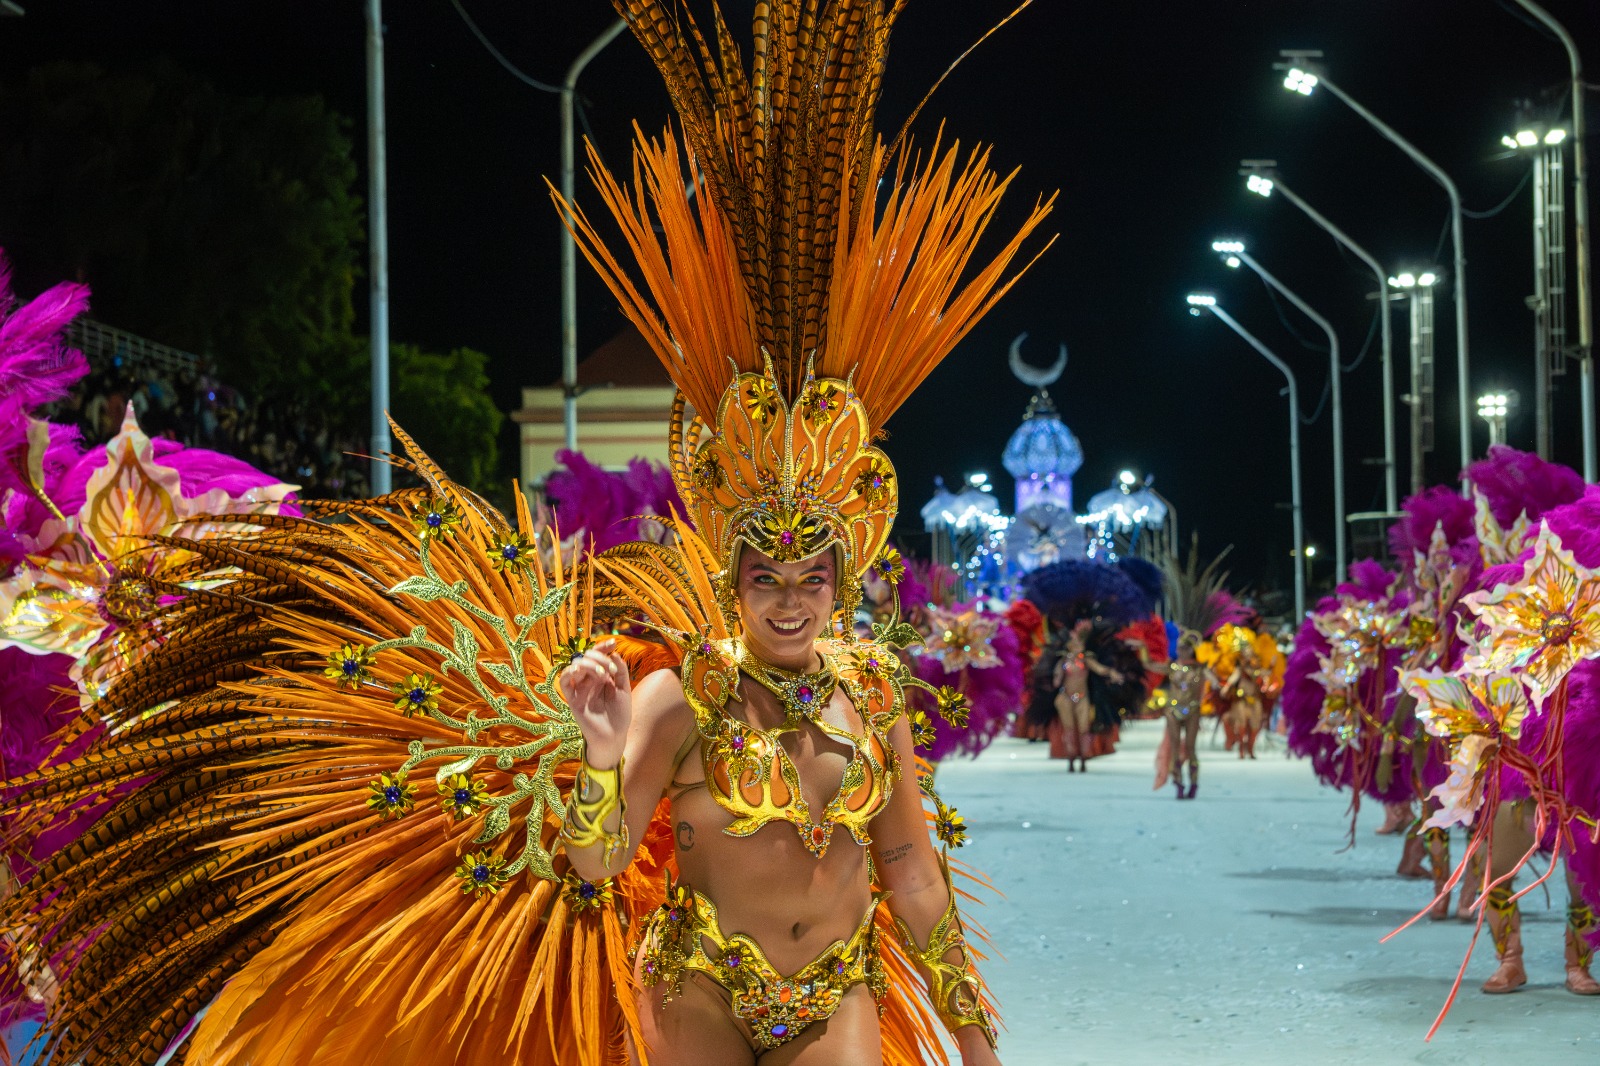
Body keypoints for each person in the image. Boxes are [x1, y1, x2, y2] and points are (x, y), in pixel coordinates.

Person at [0, 3, 1048, 1062]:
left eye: (808, 576)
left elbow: (909, 867)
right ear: (731, 576)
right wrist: (597, 756)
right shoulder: (679, 694)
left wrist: (969, 1024)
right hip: (699, 987)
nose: (787, 596)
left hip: (838, 988)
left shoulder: (872, 691)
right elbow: (595, 866)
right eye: (764, 572)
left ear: (844, 574)